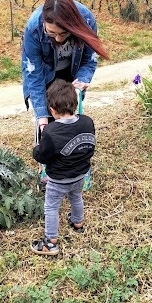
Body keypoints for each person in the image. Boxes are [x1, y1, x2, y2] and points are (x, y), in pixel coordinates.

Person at [21, 0, 109, 134]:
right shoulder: (34, 28)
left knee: (67, 116)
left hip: (71, 74)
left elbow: (88, 60)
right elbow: (33, 73)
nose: (58, 39)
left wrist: (80, 84)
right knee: (47, 119)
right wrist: (42, 118)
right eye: (51, 33)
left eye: (63, 33)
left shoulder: (86, 20)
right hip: (45, 75)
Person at [31, 79, 95, 255]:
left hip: (59, 179)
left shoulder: (51, 132)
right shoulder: (87, 122)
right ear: (76, 104)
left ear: (52, 110)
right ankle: (77, 223)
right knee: (76, 198)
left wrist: (37, 149)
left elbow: (42, 155)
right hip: (81, 174)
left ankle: (50, 242)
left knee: (51, 207)